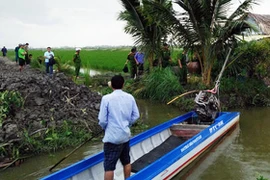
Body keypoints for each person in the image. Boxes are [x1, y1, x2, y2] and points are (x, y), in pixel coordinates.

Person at [98, 75, 140, 180]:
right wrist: (127, 124)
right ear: (123, 85)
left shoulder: (106, 99)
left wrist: (105, 127)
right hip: (125, 135)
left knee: (109, 167)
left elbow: (102, 120)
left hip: (112, 138)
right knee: (126, 161)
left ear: (111, 85)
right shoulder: (130, 97)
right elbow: (136, 115)